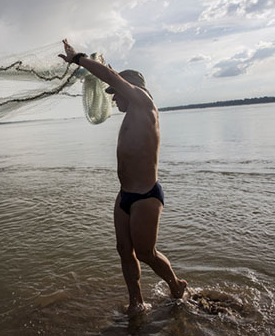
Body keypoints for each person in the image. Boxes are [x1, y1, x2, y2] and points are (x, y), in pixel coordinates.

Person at [58, 39, 187, 316]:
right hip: (125, 195)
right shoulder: (133, 111)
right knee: (124, 250)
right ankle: (136, 302)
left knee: (145, 253)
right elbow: (112, 76)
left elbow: (112, 78)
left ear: (130, 90)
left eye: (115, 93)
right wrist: (106, 69)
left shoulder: (144, 103)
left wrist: (78, 58)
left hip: (145, 196)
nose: (112, 98)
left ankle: (177, 284)